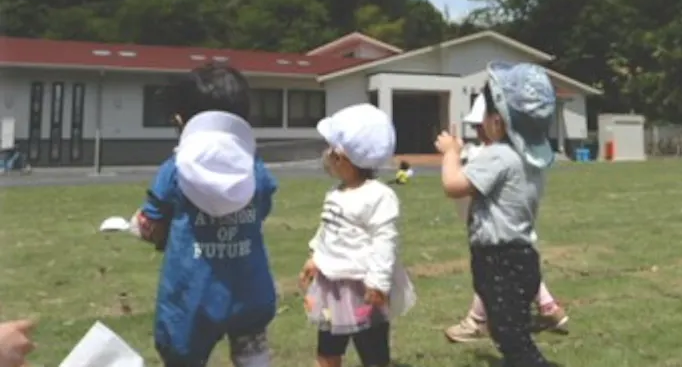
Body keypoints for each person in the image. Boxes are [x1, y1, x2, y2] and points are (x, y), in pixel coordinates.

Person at [131, 63, 278, 367]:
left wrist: (141, 227)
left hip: (190, 295)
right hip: (250, 288)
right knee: (253, 355)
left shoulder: (174, 170)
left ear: (183, 118)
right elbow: (261, 209)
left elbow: (152, 224)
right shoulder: (255, 168)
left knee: (183, 357)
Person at [436, 62, 558, 366]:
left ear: (498, 121)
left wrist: (450, 153)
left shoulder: (499, 156)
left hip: (499, 260)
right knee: (506, 328)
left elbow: (454, 185)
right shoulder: (532, 158)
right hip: (522, 257)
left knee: (510, 335)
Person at [300, 103, 416, 367]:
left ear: (341, 156)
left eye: (330, 149)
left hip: (362, 289)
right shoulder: (336, 193)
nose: (326, 156)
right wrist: (315, 257)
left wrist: (378, 282)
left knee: (372, 350)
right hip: (331, 288)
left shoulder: (378, 196)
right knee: (327, 347)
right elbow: (327, 230)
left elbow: (384, 240)